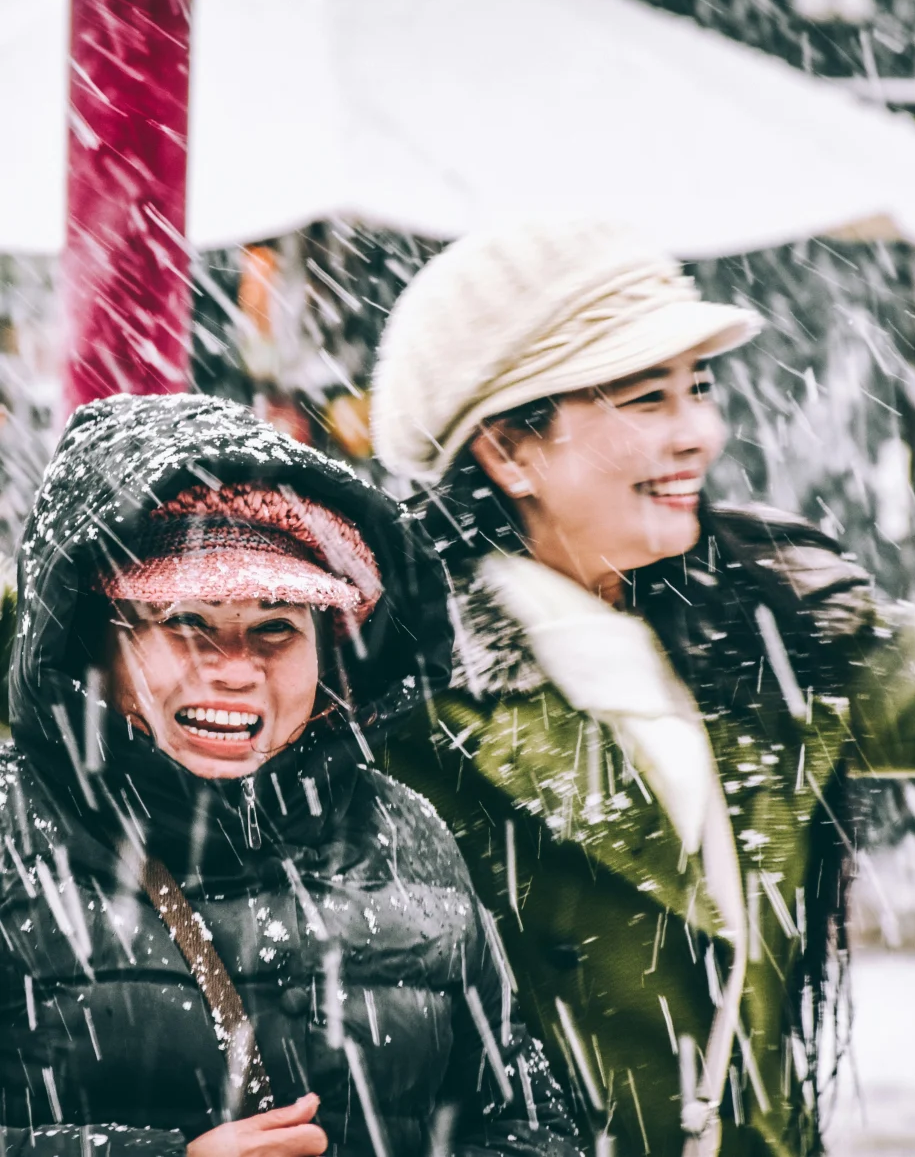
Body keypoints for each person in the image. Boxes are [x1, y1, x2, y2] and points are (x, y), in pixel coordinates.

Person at [367, 219, 915, 1157]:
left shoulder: (756, 633)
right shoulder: (397, 702)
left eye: (699, 389)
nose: (700, 433)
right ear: (509, 453)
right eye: (645, 400)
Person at [0, 393, 581, 1157]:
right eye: (185, 622)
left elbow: (531, 1125)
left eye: (277, 627)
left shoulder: (405, 836)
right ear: (90, 643)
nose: (236, 668)